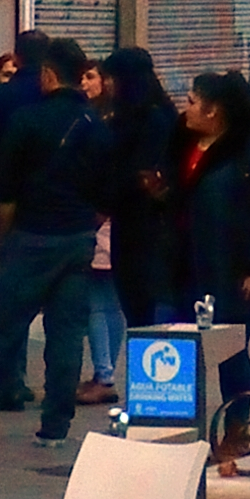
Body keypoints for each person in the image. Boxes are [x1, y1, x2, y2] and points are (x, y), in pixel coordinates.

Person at [0, 30, 120, 448]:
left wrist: (2, 215)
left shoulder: (27, 120)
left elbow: (5, 188)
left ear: (47, 74)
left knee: (6, 328)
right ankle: (55, 426)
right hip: (77, 239)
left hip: (32, 235)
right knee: (66, 334)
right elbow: (108, 191)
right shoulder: (94, 125)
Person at [177, 71, 250, 436]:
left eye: (193, 102)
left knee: (231, 352)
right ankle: (178, 427)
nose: (186, 109)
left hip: (231, 271)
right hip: (184, 268)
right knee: (179, 349)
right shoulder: (185, 146)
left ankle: (236, 427)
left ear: (214, 111)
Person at [89, 42, 181, 411]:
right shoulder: (126, 117)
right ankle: (145, 397)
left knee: (148, 316)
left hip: (148, 232)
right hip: (130, 229)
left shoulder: (151, 120)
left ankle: (154, 399)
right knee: (137, 314)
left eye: (112, 78)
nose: (107, 86)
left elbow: (137, 175)